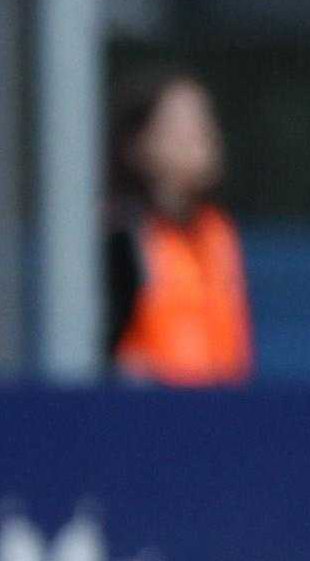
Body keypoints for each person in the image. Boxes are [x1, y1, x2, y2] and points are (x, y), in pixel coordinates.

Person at [105, 67, 252, 386]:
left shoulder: (218, 233)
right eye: (179, 127)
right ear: (138, 143)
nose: (198, 140)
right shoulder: (121, 235)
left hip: (219, 406)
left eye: (202, 124)